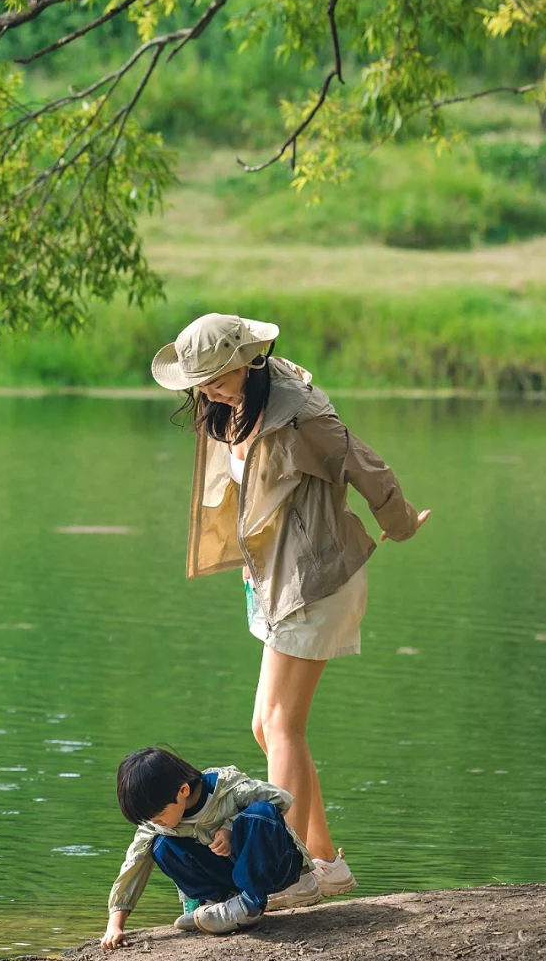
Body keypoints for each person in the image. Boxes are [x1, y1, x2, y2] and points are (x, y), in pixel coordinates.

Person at [150, 313, 431, 903]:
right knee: (269, 727)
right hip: (273, 582)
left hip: (315, 579)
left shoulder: (299, 413)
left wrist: (400, 523)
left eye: (216, 377)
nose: (207, 391)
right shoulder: (233, 406)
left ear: (248, 360)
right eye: (198, 382)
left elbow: (364, 463)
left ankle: (284, 873)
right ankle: (325, 862)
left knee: (280, 726)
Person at [102, 747, 313, 945]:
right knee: (160, 844)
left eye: (158, 816)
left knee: (261, 812)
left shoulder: (228, 788)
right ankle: (215, 904)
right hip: (228, 875)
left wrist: (231, 826)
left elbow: (282, 798)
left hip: (276, 867)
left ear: (183, 790)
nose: (155, 822)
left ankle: (250, 904)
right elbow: (134, 864)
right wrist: (115, 924)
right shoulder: (157, 823)